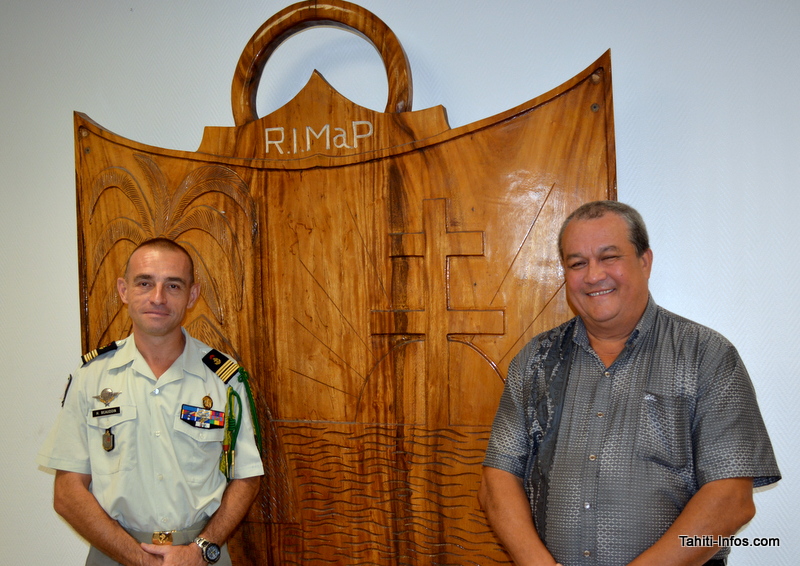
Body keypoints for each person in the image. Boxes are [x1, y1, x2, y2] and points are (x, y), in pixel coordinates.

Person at [478, 201, 780, 566]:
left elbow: (732, 500)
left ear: (645, 261)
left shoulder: (707, 356)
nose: (593, 276)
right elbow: (497, 480)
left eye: (609, 257)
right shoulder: (535, 361)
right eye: (577, 263)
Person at [38, 238, 264, 566]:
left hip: (200, 555)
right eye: (145, 283)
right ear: (124, 290)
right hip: (113, 552)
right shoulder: (92, 377)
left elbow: (247, 477)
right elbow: (67, 493)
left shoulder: (223, 378)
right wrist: (137, 558)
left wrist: (201, 549)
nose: (157, 298)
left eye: (173, 285)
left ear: (192, 295)